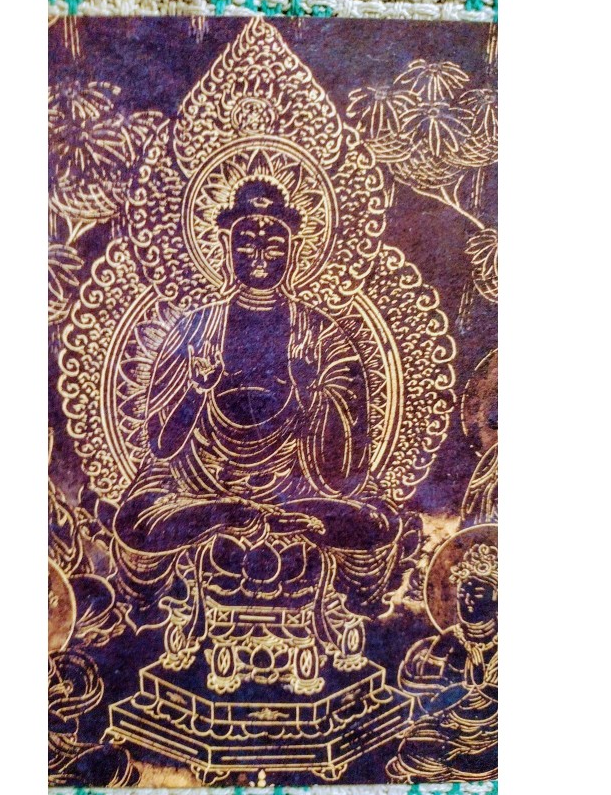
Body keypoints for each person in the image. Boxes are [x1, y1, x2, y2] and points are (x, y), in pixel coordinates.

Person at [112, 176, 418, 619]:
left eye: (273, 245)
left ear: (295, 251)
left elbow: (344, 475)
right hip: (201, 482)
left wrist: (310, 393)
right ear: (224, 247)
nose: (258, 255)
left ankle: (245, 515)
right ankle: (225, 512)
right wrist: (197, 390)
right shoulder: (193, 330)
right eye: (245, 243)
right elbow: (162, 446)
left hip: (300, 487)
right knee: (136, 520)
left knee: (376, 523)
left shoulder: (324, 336)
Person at [387, 543, 498, 783]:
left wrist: (483, 687)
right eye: (463, 594)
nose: (468, 601)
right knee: (413, 748)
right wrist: (456, 686)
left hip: (493, 730)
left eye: (477, 594)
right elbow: (427, 694)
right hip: (449, 723)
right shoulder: (449, 639)